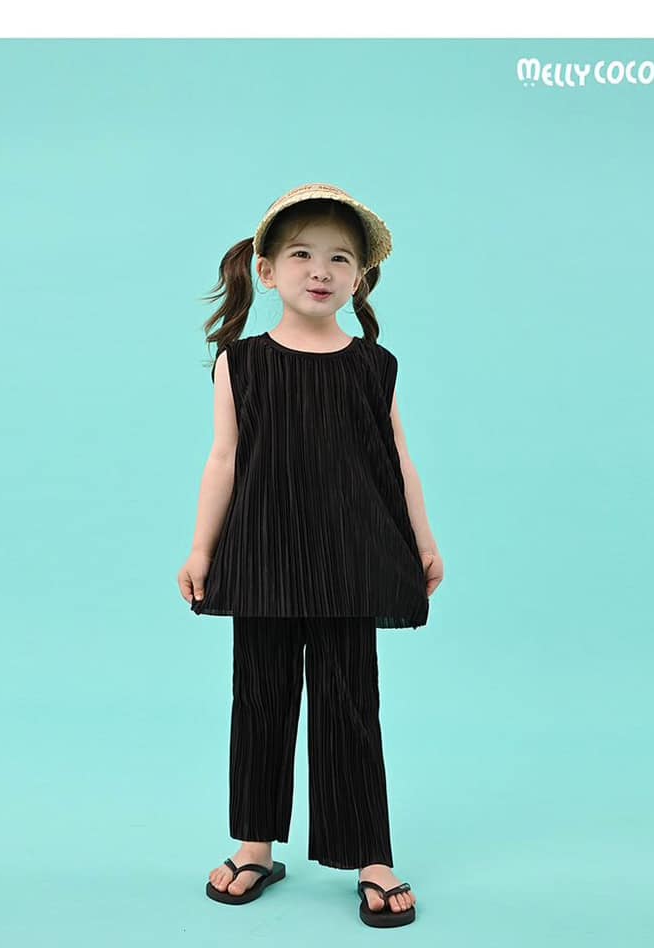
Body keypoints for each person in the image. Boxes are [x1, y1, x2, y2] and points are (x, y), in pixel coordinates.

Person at [177, 183, 444, 928]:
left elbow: (399, 459)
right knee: (259, 700)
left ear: (360, 277)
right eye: (301, 255)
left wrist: (423, 540)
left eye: (340, 258)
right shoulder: (240, 363)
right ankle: (255, 846)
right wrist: (200, 549)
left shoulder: (374, 366)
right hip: (263, 555)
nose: (320, 270)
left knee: (351, 704)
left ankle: (371, 856)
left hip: (351, 558)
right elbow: (223, 459)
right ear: (266, 271)